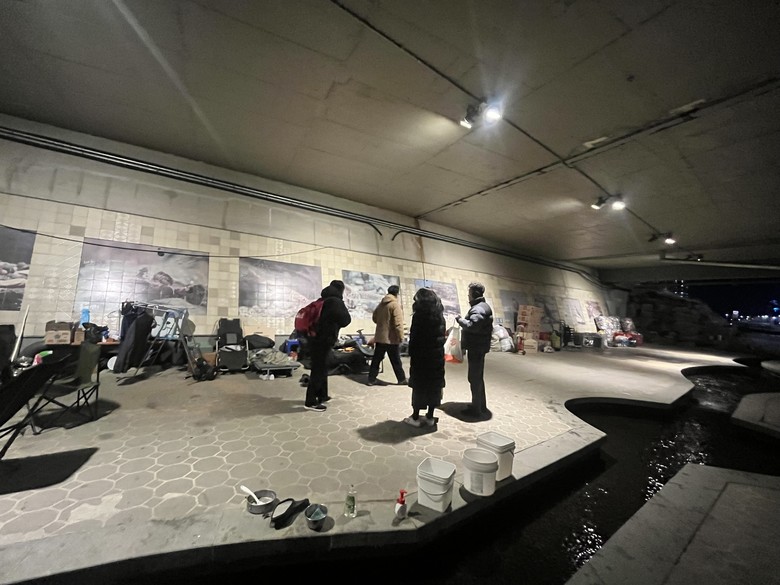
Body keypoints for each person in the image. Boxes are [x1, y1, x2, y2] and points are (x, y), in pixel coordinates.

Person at [304, 280, 352, 411]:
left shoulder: (322, 300)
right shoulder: (336, 301)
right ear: (341, 289)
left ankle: (322, 395)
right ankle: (310, 402)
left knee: (322, 367)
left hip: (313, 339)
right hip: (323, 340)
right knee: (318, 369)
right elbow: (346, 320)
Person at [403, 288, 446, 428]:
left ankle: (415, 417)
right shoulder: (440, 316)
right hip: (436, 358)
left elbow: (415, 339)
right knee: (434, 386)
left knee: (419, 387)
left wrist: (411, 353)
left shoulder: (419, 316)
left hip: (421, 358)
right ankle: (430, 417)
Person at [455, 281, 493, 418]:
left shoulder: (478, 309)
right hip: (479, 346)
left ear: (474, 294)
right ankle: (480, 405)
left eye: (469, 293)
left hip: (476, 347)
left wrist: (460, 320)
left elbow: (472, 326)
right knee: (477, 377)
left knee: (474, 378)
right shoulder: (482, 306)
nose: (468, 295)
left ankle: (476, 409)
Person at [367, 285, 407, 386]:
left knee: (376, 359)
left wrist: (382, 325)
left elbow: (374, 318)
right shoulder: (395, 305)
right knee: (396, 360)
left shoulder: (381, 304)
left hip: (380, 337)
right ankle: (402, 379)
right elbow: (398, 323)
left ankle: (371, 379)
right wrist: (401, 336)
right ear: (397, 294)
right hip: (391, 338)